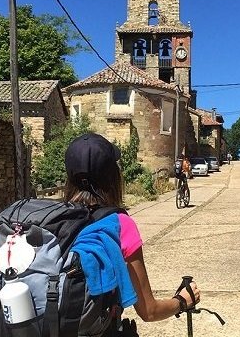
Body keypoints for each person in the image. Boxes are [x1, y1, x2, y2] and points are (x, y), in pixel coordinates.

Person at [65, 133, 201, 334]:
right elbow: (149, 311)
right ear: (113, 176)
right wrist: (182, 301)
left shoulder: (54, 222)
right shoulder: (118, 224)